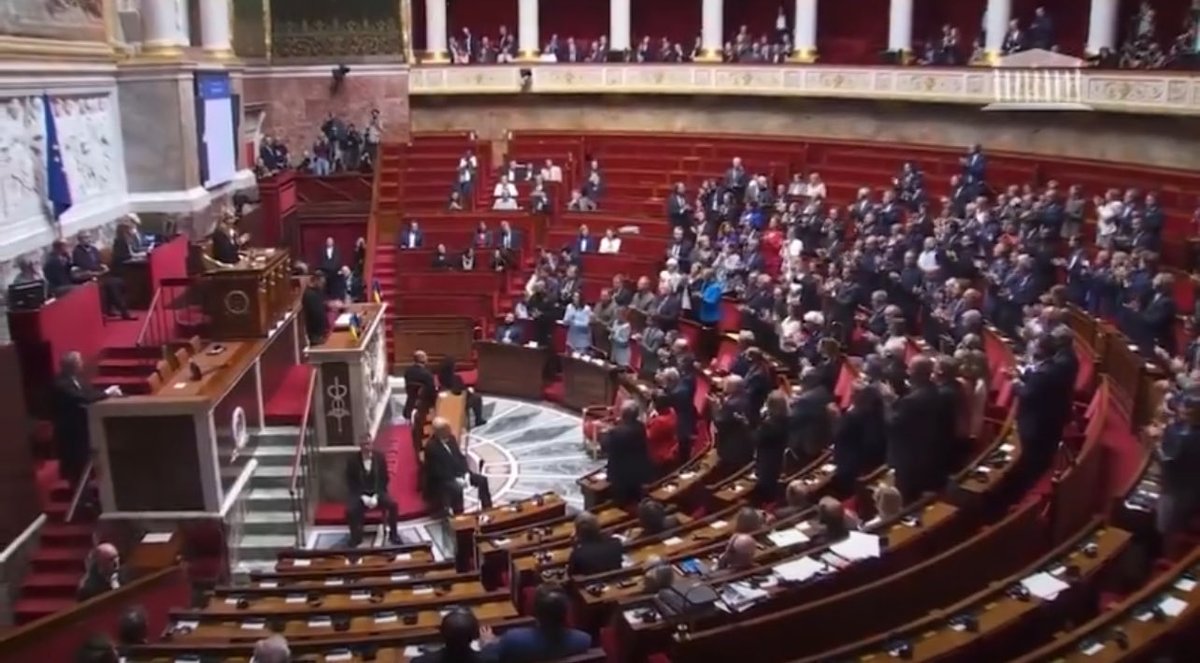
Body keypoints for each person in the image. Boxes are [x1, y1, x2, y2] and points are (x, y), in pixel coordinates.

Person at [53, 351, 116, 489]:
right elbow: (81, 398)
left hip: (84, 432)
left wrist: (108, 393)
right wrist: (107, 393)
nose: (82, 364)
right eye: (80, 361)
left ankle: (88, 494)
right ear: (72, 365)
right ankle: (81, 500)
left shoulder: (78, 380)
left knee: (86, 465)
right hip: (71, 436)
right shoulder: (61, 384)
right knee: (77, 470)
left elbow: (90, 393)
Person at [479, 585, 592, 661]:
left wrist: (488, 643)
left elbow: (486, 658)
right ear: (566, 613)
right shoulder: (583, 641)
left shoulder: (513, 639)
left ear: (534, 612)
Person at [423, 417, 493, 514]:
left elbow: (460, 457)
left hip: (459, 473)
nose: (449, 430)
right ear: (439, 432)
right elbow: (437, 471)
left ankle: (488, 508)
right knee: (457, 489)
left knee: (482, 480)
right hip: (443, 479)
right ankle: (459, 514)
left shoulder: (451, 438)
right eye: (446, 429)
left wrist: (466, 472)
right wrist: (456, 479)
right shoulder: (431, 447)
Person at [345, 434, 402, 546]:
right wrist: (362, 496)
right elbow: (350, 482)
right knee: (350, 511)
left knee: (393, 505)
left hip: (377, 492)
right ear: (360, 446)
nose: (367, 447)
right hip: (360, 494)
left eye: (369, 444)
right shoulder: (352, 461)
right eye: (364, 444)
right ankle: (355, 537)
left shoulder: (379, 458)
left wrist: (376, 495)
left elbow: (384, 479)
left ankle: (394, 534)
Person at [70, 232, 135, 320]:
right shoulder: (77, 252)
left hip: (101, 275)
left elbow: (98, 261)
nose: (88, 240)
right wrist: (97, 271)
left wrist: (103, 266)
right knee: (112, 285)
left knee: (118, 281)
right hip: (89, 277)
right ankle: (124, 313)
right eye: (85, 238)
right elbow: (84, 266)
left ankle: (112, 309)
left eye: (89, 237)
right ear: (80, 240)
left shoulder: (93, 249)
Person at [600, 400, 652, 505]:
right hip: (637, 473)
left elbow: (604, 447)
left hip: (620, 476)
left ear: (623, 414)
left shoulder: (616, 432)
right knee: (635, 500)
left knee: (621, 503)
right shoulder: (641, 427)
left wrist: (605, 433)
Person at [752, 391, 790, 505]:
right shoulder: (787, 419)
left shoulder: (769, 425)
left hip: (767, 461)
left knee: (766, 488)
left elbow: (755, 439)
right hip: (779, 457)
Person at [413, 608, 483, 663]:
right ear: (476, 635)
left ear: (441, 635)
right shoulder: (488, 659)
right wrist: (489, 643)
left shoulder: (420, 661)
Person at [567, 511, 623, 576]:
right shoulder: (616, 543)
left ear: (578, 534)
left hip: (591, 584)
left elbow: (571, 575)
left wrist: (575, 546)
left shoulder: (577, 554)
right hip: (616, 582)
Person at [436, 355, 485, 426]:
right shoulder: (456, 378)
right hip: (459, 402)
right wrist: (470, 391)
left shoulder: (441, 378)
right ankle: (478, 420)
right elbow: (464, 391)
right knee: (477, 398)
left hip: (448, 401)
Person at [644, 392, 678, 472]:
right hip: (668, 450)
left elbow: (647, 436)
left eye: (653, 402)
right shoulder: (672, 411)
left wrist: (648, 417)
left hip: (659, 456)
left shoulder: (660, 422)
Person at [301, 271, 332, 345]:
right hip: (316, 335)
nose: (323, 285)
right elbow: (316, 314)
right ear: (316, 280)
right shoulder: (309, 294)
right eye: (322, 282)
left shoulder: (317, 292)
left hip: (321, 333)